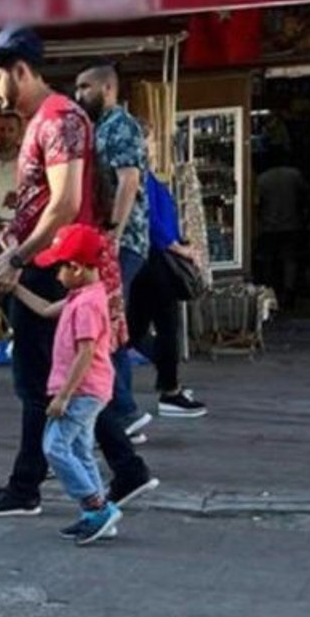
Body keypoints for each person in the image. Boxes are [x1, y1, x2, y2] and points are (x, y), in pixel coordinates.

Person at [0, 26, 157, 518]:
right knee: (54, 377)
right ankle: (126, 470)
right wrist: (9, 244)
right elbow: (41, 202)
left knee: (38, 380)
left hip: (55, 266)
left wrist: (19, 256)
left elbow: (67, 203)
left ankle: (26, 487)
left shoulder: (61, 120)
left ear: (21, 72)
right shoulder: (42, 121)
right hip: (46, 260)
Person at [12, 224, 122, 544]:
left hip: (81, 391)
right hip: (90, 389)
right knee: (80, 449)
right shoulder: (83, 295)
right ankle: (97, 516)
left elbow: (85, 353)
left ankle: (96, 505)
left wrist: (63, 395)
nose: (57, 274)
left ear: (76, 267)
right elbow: (46, 310)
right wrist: (15, 288)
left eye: (60, 267)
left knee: (54, 447)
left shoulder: (86, 304)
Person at [75, 60, 153, 442]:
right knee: (109, 322)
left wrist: (113, 233)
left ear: (108, 88)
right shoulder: (99, 128)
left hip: (121, 241)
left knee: (102, 322)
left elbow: (129, 180)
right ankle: (121, 411)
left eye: (86, 87)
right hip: (109, 240)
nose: (79, 95)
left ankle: (122, 408)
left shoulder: (121, 127)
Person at [130, 122, 208, 418]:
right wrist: (176, 248)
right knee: (165, 324)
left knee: (138, 328)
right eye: (147, 142)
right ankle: (170, 389)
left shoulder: (144, 174)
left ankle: (168, 379)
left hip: (156, 255)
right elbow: (148, 219)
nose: (150, 148)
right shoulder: (136, 176)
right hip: (155, 258)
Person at [256, 149, 306, 310]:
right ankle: (289, 291)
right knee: (289, 259)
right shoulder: (294, 175)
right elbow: (304, 194)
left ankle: (270, 293)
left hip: (268, 225)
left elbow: (257, 203)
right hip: (291, 223)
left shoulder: (262, 179)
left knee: (268, 260)